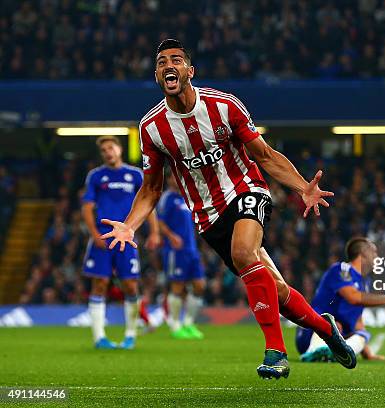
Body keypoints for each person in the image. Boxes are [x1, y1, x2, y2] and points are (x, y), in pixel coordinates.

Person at [100, 39, 356, 379]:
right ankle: (325, 329)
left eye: (176, 60)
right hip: (207, 216)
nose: (168, 65)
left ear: (190, 71)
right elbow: (151, 188)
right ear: (158, 75)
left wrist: (300, 187)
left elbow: (263, 155)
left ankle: (275, 352)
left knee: (243, 253)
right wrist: (131, 225)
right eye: (161, 62)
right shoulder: (152, 127)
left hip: (246, 190)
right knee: (275, 290)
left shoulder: (224, 106)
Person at [82, 135, 161, 350]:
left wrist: (154, 232)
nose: (108, 152)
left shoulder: (134, 174)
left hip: (126, 237)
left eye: (111, 147)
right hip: (104, 238)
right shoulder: (96, 176)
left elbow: (147, 202)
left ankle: (130, 336)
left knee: (130, 285)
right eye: (104, 150)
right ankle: (99, 338)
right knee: (99, 284)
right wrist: (94, 233)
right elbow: (87, 206)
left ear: (119, 149)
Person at [298, 237, 385, 362]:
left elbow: (357, 322)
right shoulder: (342, 269)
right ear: (363, 253)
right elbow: (353, 297)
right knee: (332, 324)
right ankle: (315, 350)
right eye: (374, 252)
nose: (377, 256)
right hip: (310, 332)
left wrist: (367, 353)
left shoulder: (365, 283)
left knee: (363, 335)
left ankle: (341, 354)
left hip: (336, 336)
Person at [157, 173, 206, 339]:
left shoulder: (187, 198)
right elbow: (160, 221)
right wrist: (171, 237)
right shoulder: (167, 198)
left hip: (191, 250)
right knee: (177, 287)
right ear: (169, 179)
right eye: (173, 177)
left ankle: (189, 323)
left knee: (199, 285)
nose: (176, 179)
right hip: (175, 250)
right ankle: (175, 324)